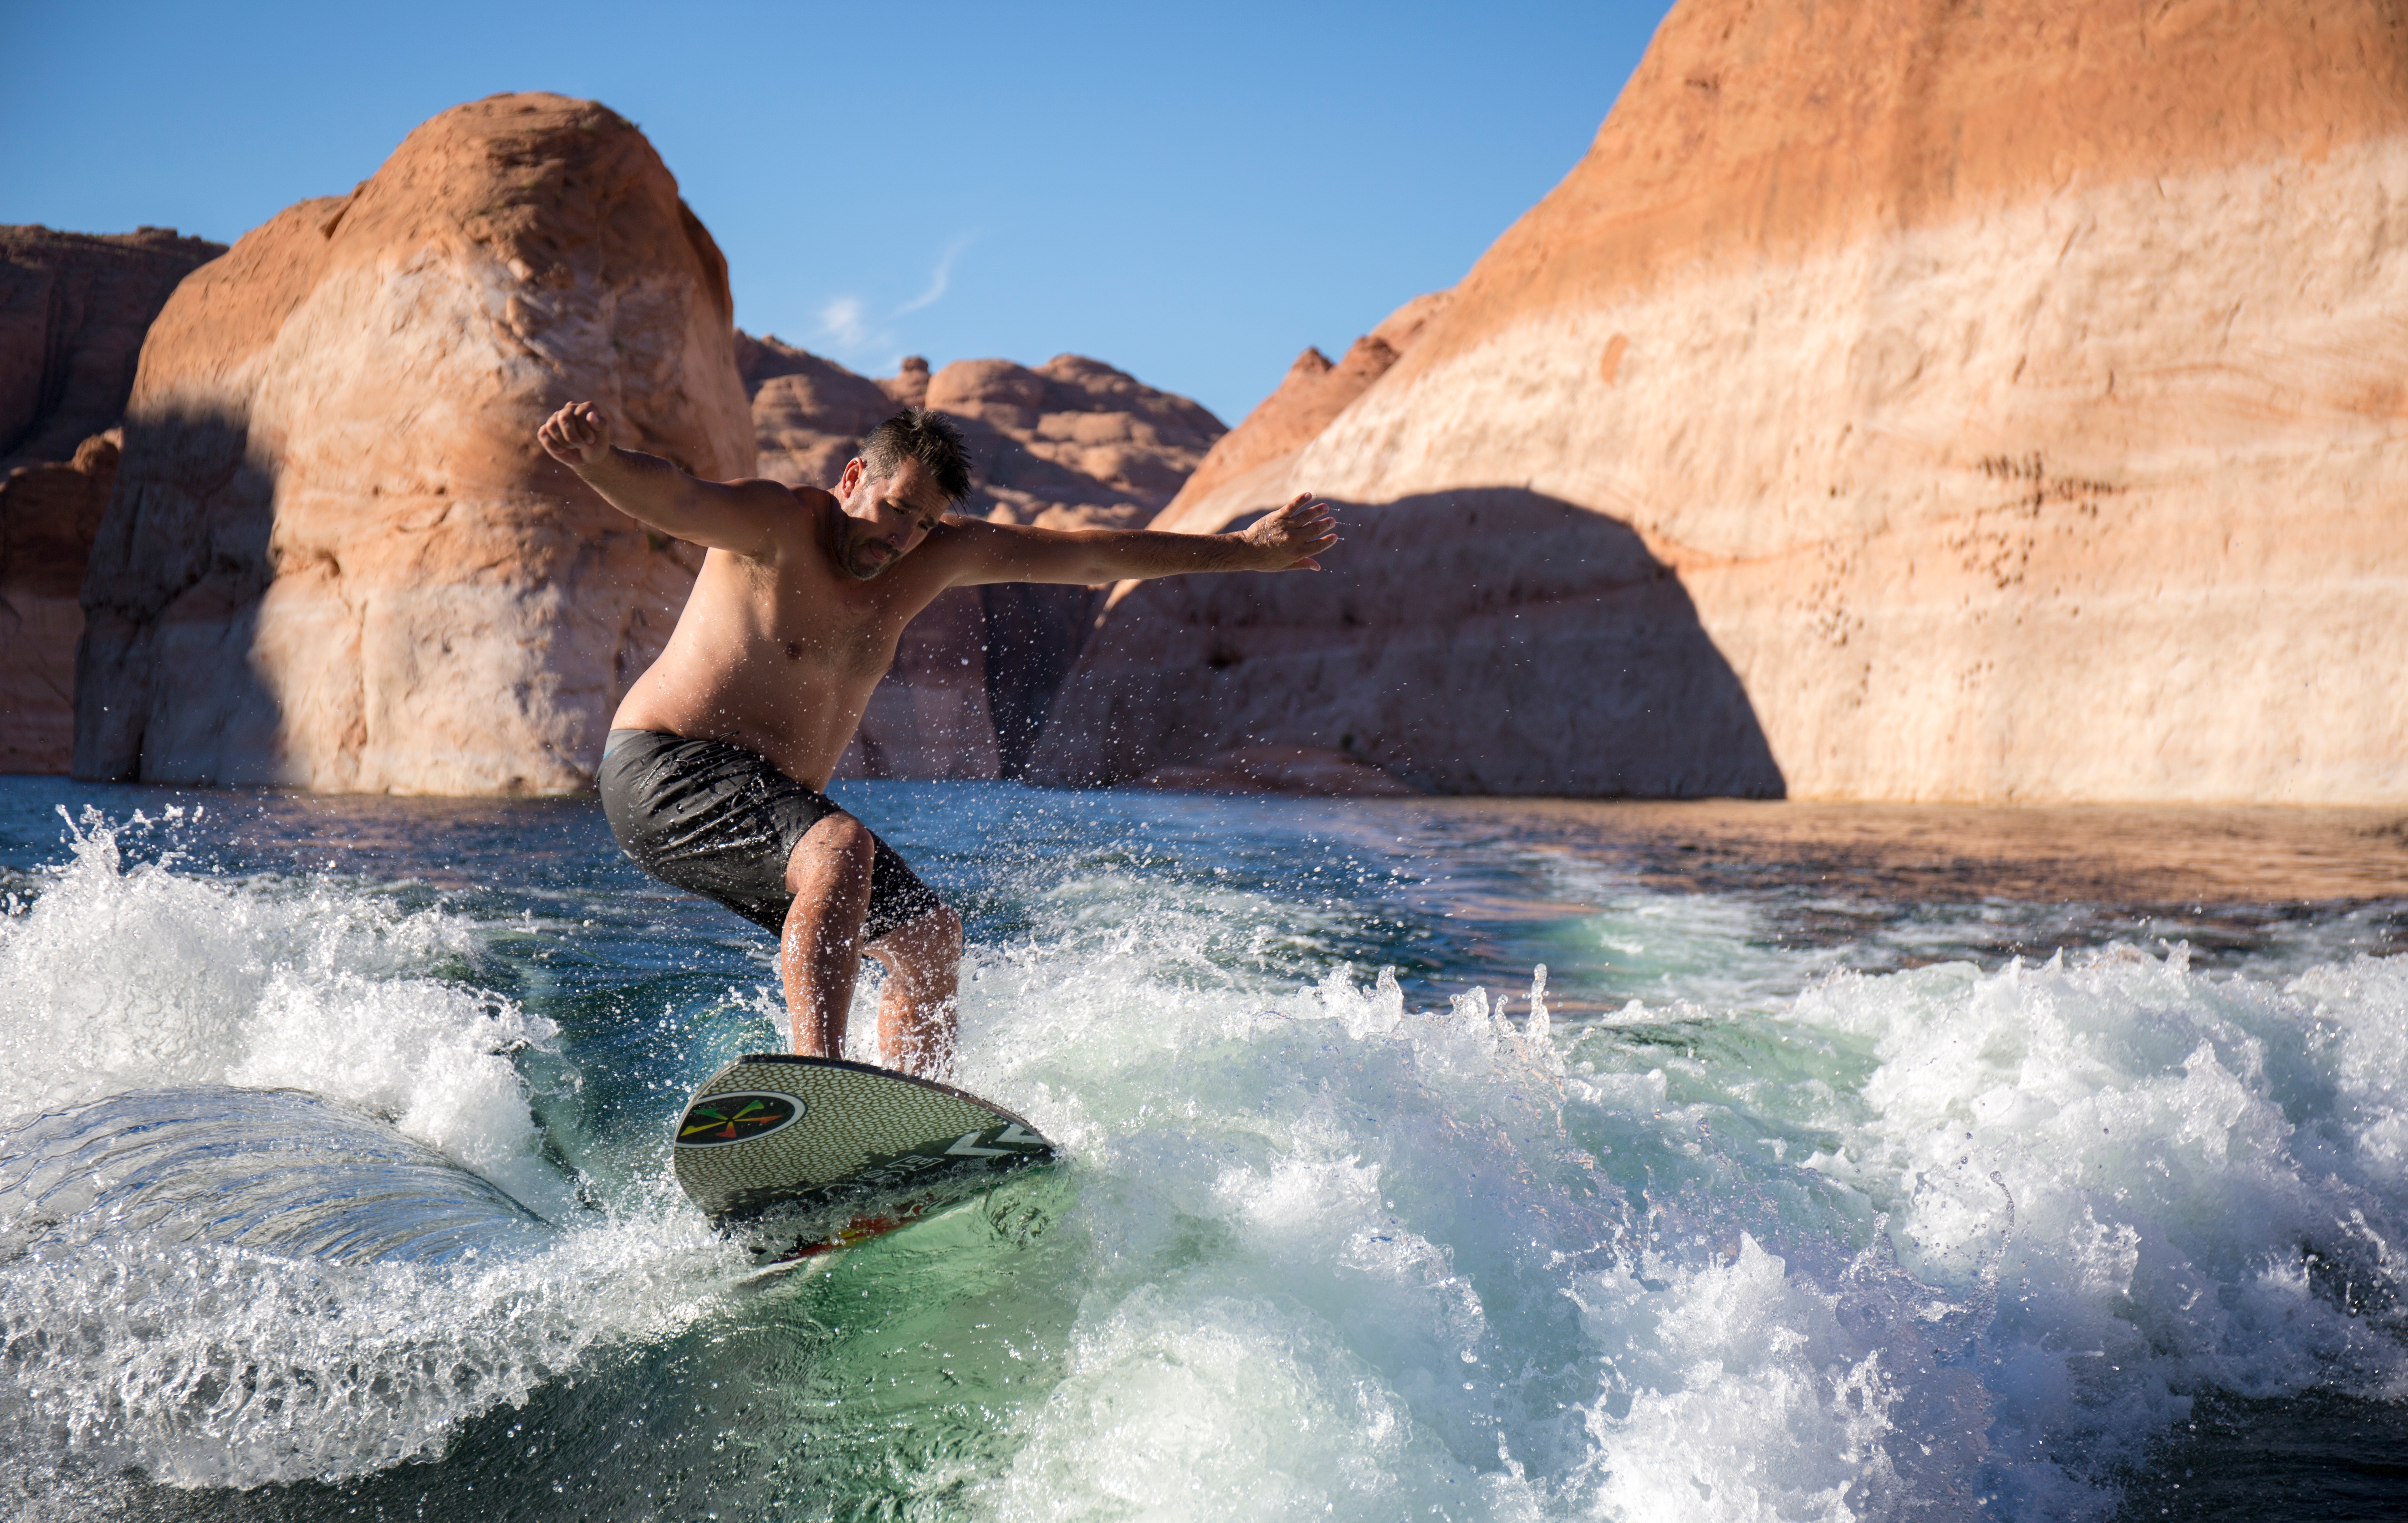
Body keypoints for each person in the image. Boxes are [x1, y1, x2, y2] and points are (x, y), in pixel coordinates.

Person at [537, 401, 1336, 1079]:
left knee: (927, 938)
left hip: (763, 800)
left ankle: (912, 1127)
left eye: (924, 523)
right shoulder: (778, 523)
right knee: (839, 847)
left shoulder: (937, 557)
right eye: (895, 508)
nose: (902, 537)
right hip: (661, 767)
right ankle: (823, 1093)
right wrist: (598, 458)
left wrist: (1245, 552)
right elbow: (673, 498)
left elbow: (1090, 556)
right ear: (854, 480)